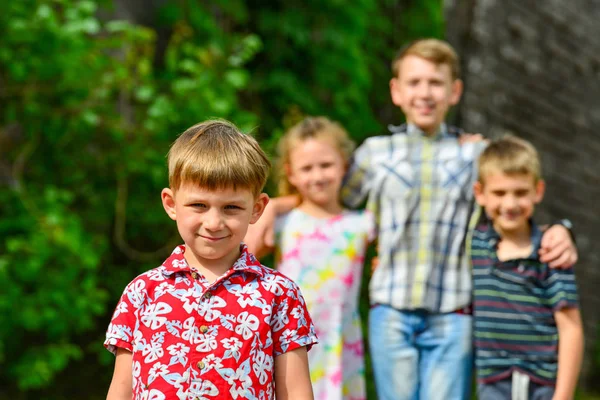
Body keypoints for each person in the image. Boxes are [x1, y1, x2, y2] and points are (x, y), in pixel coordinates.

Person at [246, 38, 578, 400]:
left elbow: (511, 198)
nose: (425, 93)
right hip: (391, 310)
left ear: (454, 92)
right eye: (414, 83)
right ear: (396, 91)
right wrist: (276, 207)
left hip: (452, 312)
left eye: (435, 83)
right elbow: (329, 204)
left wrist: (559, 228)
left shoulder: (473, 154)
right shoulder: (374, 154)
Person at [104, 120, 318, 400]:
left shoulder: (279, 294)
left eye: (231, 207)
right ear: (171, 204)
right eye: (199, 205)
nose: (214, 222)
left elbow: (297, 393)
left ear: (257, 209)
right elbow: (121, 390)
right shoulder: (142, 292)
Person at [251, 117, 375, 400]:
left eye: (326, 165)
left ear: (344, 164)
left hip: (340, 343)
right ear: (290, 173)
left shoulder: (361, 224)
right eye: (306, 168)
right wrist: (275, 206)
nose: (317, 176)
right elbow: (246, 247)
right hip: (291, 343)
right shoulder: (284, 222)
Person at [471, 135, 583, 400]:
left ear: (538, 192)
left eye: (520, 193)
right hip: (491, 382)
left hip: (538, 383)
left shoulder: (550, 252)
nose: (510, 204)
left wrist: (563, 396)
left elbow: (571, 329)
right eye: (499, 193)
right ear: (480, 194)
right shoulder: (474, 245)